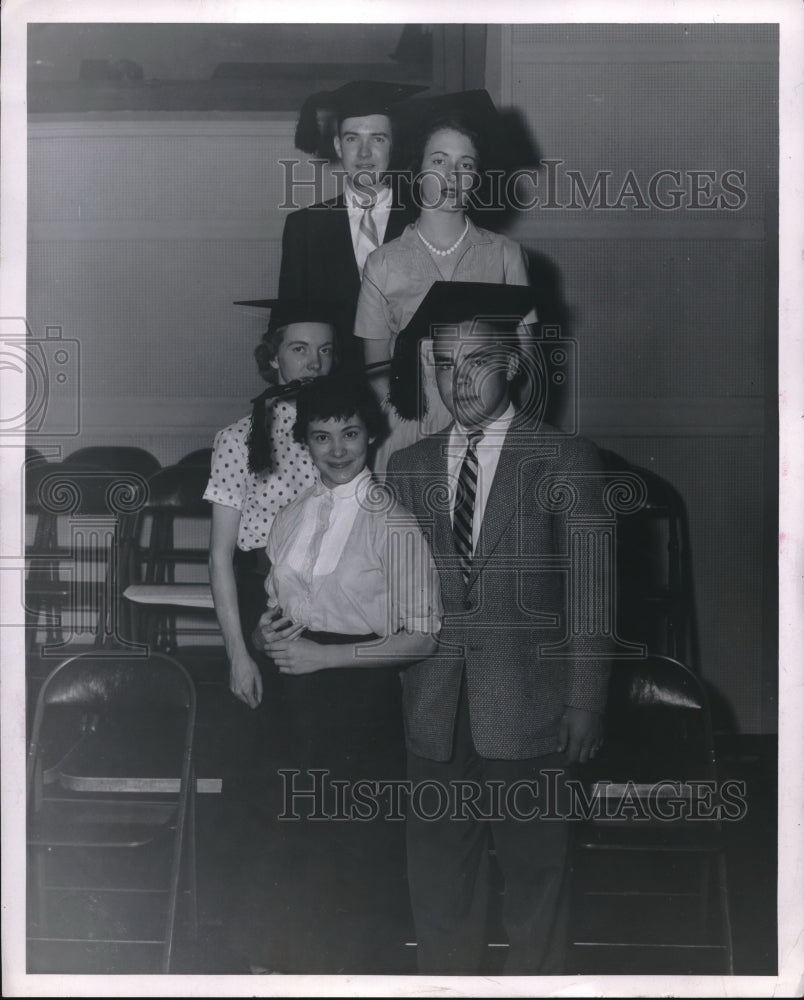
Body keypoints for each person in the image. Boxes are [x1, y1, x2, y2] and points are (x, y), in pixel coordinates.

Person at [385, 282, 610, 975]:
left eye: (478, 362)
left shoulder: (565, 458)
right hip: (434, 710)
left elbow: (593, 593)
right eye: (447, 365)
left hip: (533, 708)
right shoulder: (408, 467)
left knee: (537, 880)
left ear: (513, 364)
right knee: (439, 886)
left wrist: (586, 699)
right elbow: (391, 591)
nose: (460, 381)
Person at [354, 90, 537, 474]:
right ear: (418, 168)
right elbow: (377, 380)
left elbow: (525, 362)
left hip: (488, 438)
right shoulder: (382, 264)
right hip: (406, 438)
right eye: (439, 161)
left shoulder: (505, 255)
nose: (452, 177)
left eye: (465, 165)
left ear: (477, 176)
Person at [204, 299, 339, 712]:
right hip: (267, 609)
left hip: (336, 603)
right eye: (299, 349)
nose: (315, 364)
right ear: (274, 358)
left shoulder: (345, 437)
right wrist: (239, 654)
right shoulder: (237, 440)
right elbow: (219, 559)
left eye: (326, 350)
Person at [278, 80, 425, 368]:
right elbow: (289, 323)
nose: (364, 153)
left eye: (378, 139)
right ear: (337, 146)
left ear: (394, 146)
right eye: (352, 139)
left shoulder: (424, 220)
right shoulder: (304, 227)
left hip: (410, 380)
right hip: (333, 384)